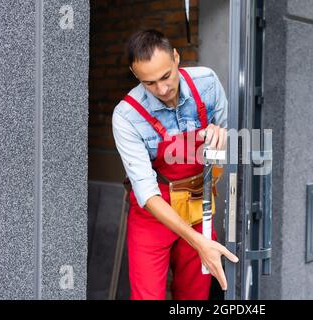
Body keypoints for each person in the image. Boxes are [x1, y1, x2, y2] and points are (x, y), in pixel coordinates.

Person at [112, 29, 239, 300]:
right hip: (154, 210)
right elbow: (146, 191)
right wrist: (200, 243)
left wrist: (222, 140)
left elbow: (230, 142)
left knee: (195, 295)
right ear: (137, 76)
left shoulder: (207, 83)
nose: (162, 89)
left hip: (197, 200)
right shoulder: (126, 116)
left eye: (166, 76)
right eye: (150, 83)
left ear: (176, 58)